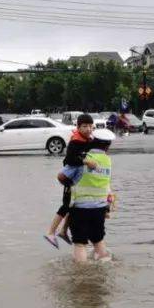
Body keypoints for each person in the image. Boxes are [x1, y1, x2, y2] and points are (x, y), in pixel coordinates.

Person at [60, 128, 114, 263]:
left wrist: (70, 183)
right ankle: (105, 265)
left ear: (92, 141)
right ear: (108, 146)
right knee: (98, 239)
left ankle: (82, 273)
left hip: (80, 208)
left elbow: (61, 176)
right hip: (100, 208)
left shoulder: (84, 159)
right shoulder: (107, 160)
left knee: (80, 243)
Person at [45, 113, 94, 248]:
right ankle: (50, 232)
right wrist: (85, 161)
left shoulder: (88, 140)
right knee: (66, 206)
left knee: (74, 207)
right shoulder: (74, 142)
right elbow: (69, 160)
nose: (88, 129)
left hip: (77, 181)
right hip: (69, 180)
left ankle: (63, 231)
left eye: (90, 126)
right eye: (85, 126)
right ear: (78, 127)